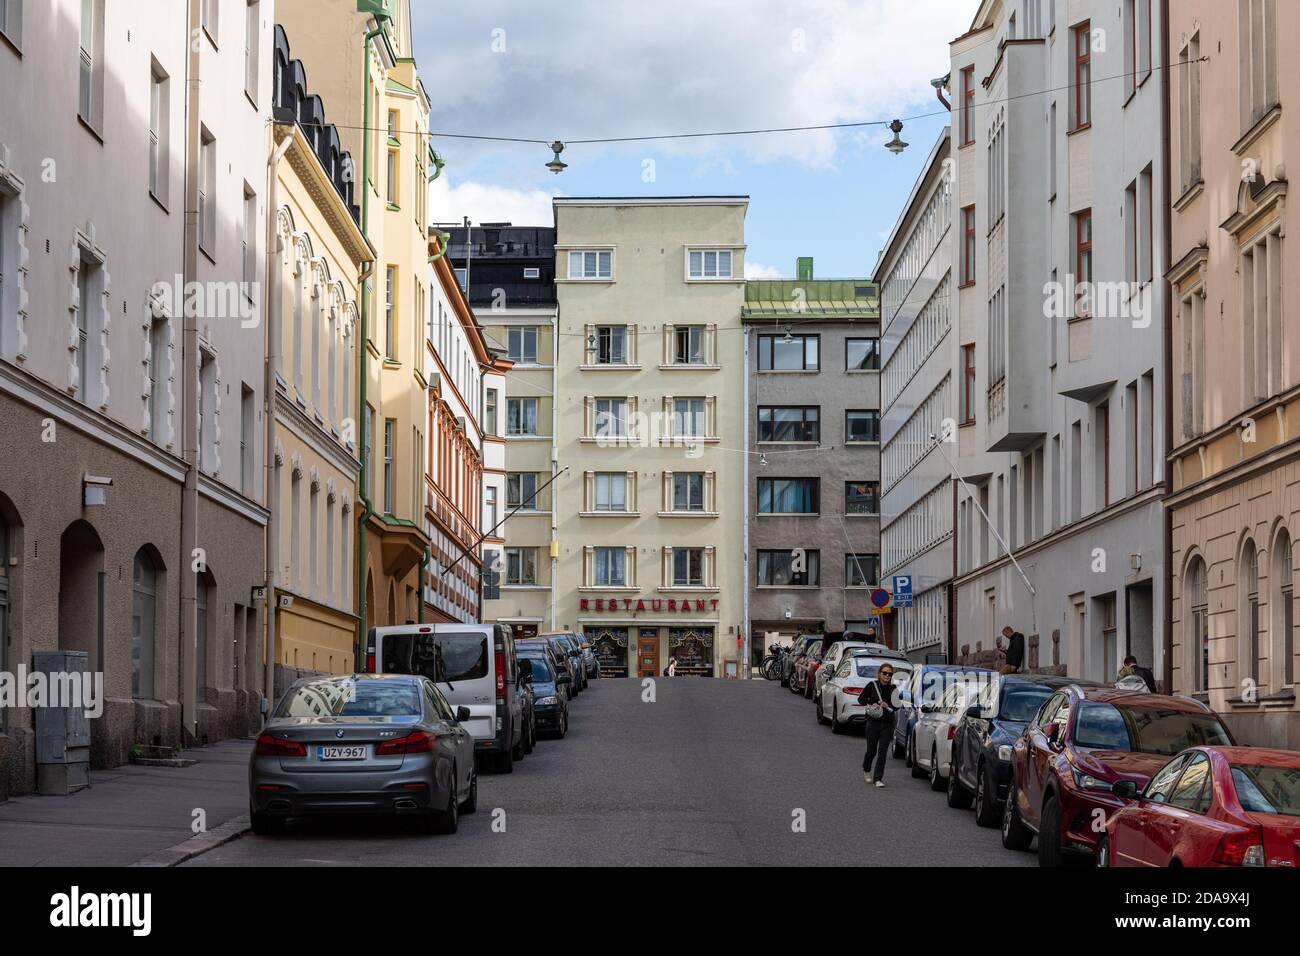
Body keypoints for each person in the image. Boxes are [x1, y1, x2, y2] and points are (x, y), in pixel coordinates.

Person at [858, 663, 899, 788]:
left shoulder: (893, 689)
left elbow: (897, 706)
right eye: (885, 673)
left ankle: (878, 778)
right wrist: (874, 702)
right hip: (873, 723)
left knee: (882, 752)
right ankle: (866, 768)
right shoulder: (872, 685)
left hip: (887, 724)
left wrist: (889, 706)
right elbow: (861, 699)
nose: (887, 676)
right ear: (879, 674)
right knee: (871, 751)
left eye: (890, 674)